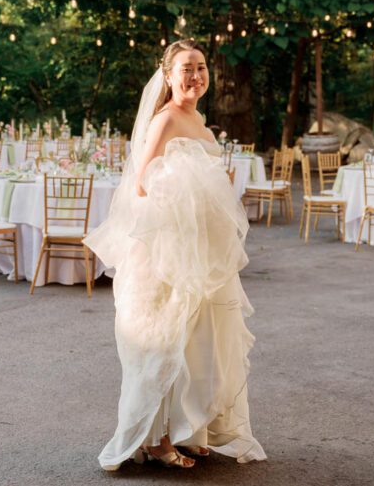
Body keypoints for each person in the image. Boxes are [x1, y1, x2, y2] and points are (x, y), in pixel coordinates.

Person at [84, 39, 267, 470]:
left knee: (197, 343)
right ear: (168, 76)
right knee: (165, 342)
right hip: (169, 251)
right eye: (187, 68)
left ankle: (188, 430)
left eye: (201, 67)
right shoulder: (165, 119)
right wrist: (190, 188)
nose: (196, 76)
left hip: (201, 252)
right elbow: (142, 182)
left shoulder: (199, 120)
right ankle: (156, 440)